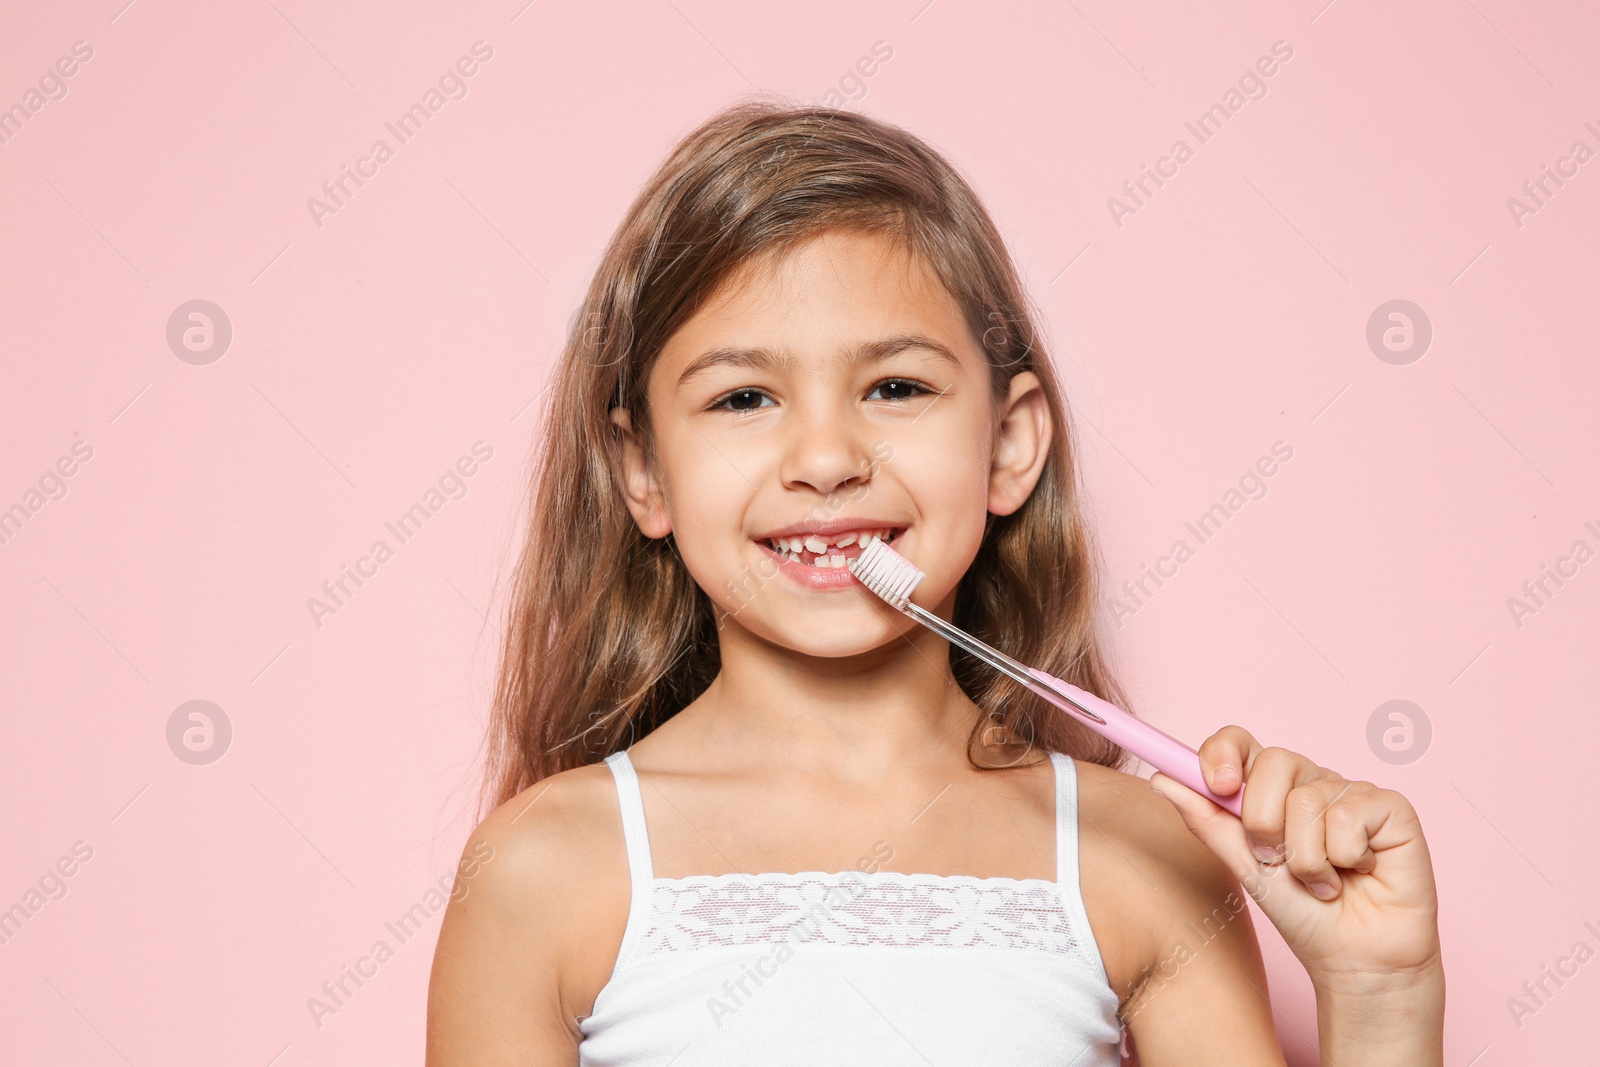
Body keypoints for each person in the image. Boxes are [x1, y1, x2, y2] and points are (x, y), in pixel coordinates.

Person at [425, 98, 1445, 1065]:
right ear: (642, 471)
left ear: (1009, 444)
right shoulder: (540, 866)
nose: (824, 457)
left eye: (895, 386)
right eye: (743, 396)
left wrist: (1379, 996)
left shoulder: (1137, 847)